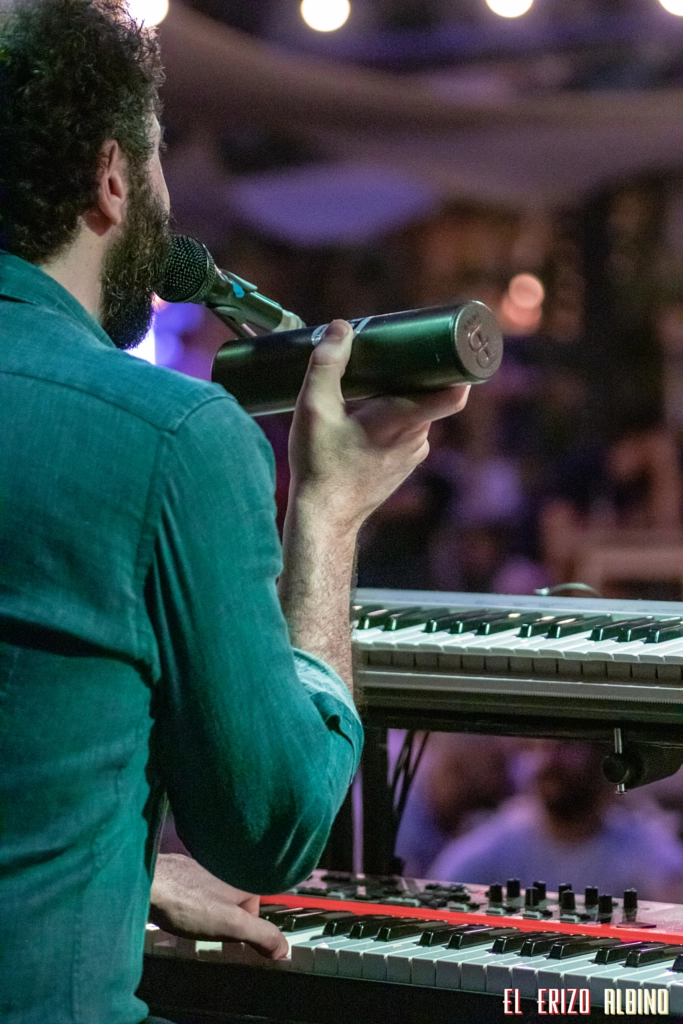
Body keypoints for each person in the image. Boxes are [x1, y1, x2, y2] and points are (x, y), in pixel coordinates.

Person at [0, 2, 469, 1022]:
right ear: (112, 177)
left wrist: (101, 885)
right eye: (161, 161)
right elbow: (272, 824)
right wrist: (328, 518)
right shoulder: (168, 436)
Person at [429, 741, 683, 902]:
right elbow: (438, 896)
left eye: (564, 748)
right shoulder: (498, 843)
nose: (548, 762)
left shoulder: (634, 843)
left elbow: (672, 892)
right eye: (539, 749)